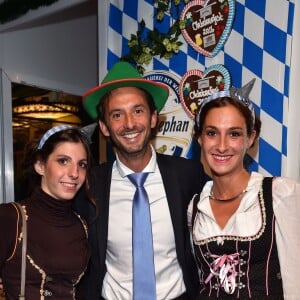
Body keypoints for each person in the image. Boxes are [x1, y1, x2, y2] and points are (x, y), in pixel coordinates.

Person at [74, 61, 208, 299]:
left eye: (138, 111)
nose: (129, 124)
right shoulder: (88, 185)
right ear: (104, 127)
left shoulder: (188, 175)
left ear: (154, 118)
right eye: (117, 115)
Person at [188, 80, 300, 299]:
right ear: (199, 138)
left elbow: (296, 279)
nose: (221, 146)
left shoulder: (279, 194)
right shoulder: (195, 208)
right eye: (212, 133)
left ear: (251, 138)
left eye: (234, 134)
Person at [0, 125, 96, 299]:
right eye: (63, 161)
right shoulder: (10, 218)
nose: (74, 173)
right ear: (40, 165)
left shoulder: (82, 225)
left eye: (81, 164)